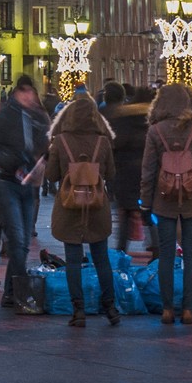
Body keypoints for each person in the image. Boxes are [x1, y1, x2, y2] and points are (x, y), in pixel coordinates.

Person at [140, 82, 192, 326]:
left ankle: (168, 309)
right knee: (191, 254)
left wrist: (145, 205)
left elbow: (148, 171)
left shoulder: (155, 131)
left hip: (164, 199)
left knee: (166, 255)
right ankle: (189, 309)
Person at [46, 94, 120, 327]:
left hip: (69, 207)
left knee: (73, 260)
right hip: (97, 206)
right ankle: (110, 307)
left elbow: (51, 175)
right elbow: (111, 174)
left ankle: (78, 311)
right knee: (101, 258)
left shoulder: (60, 141)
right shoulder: (103, 142)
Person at [0, 75, 49, 314]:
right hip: (6, 182)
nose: (29, 97)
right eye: (24, 93)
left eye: (31, 92)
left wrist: (42, 158)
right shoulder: (3, 117)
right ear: (16, 94)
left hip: (28, 184)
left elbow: (45, 144)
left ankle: (11, 292)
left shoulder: (38, 118)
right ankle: (20, 294)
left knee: (21, 244)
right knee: (18, 239)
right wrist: (11, 161)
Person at [105, 84, 149, 254]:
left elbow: (115, 144)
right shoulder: (153, 120)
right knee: (150, 216)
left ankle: (121, 251)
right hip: (146, 175)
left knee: (125, 215)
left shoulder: (122, 118)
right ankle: (156, 251)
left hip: (124, 174)